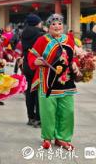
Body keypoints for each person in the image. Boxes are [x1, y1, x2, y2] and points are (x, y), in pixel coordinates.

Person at [27, 14, 80, 150]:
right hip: (48, 81)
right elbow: (32, 54)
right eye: (53, 24)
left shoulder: (69, 39)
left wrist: (74, 64)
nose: (57, 26)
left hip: (65, 81)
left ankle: (62, 138)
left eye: (59, 24)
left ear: (63, 26)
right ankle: (47, 137)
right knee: (48, 111)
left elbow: (71, 56)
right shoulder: (42, 40)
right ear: (48, 27)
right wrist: (35, 60)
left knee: (68, 111)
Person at [21, 14, 45, 128]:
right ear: (37, 22)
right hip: (37, 65)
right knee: (38, 91)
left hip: (27, 64)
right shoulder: (40, 33)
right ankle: (38, 118)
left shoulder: (24, 32)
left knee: (30, 91)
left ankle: (30, 117)